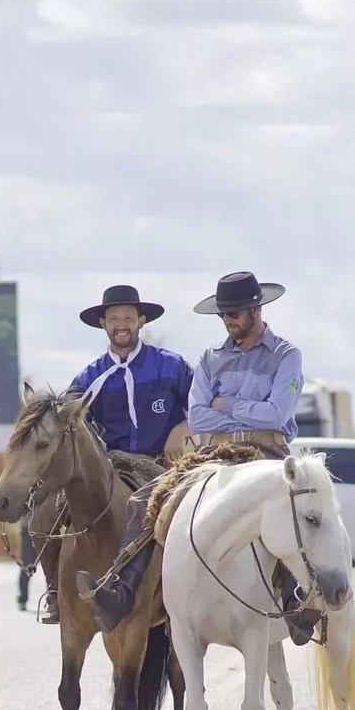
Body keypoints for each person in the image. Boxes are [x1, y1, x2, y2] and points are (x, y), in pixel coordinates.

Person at [77, 271, 320, 645]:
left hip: (267, 449)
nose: (229, 321)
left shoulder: (286, 355)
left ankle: (298, 600)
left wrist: (225, 404)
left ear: (255, 310)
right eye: (224, 315)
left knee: (292, 505)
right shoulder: (211, 357)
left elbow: (276, 414)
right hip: (215, 451)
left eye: (235, 313)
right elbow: (200, 414)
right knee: (145, 499)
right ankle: (123, 589)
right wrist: (229, 410)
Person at [33, 284, 193, 625]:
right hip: (109, 466)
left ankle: (190, 590)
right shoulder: (89, 377)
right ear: (104, 324)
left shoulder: (172, 366)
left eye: (129, 318)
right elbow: (70, 426)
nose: (122, 324)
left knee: (194, 517)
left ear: (141, 321)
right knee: (46, 511)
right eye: (115, 318)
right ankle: (55, 591)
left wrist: (184, 426)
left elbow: (202, 404)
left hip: (163, 464)